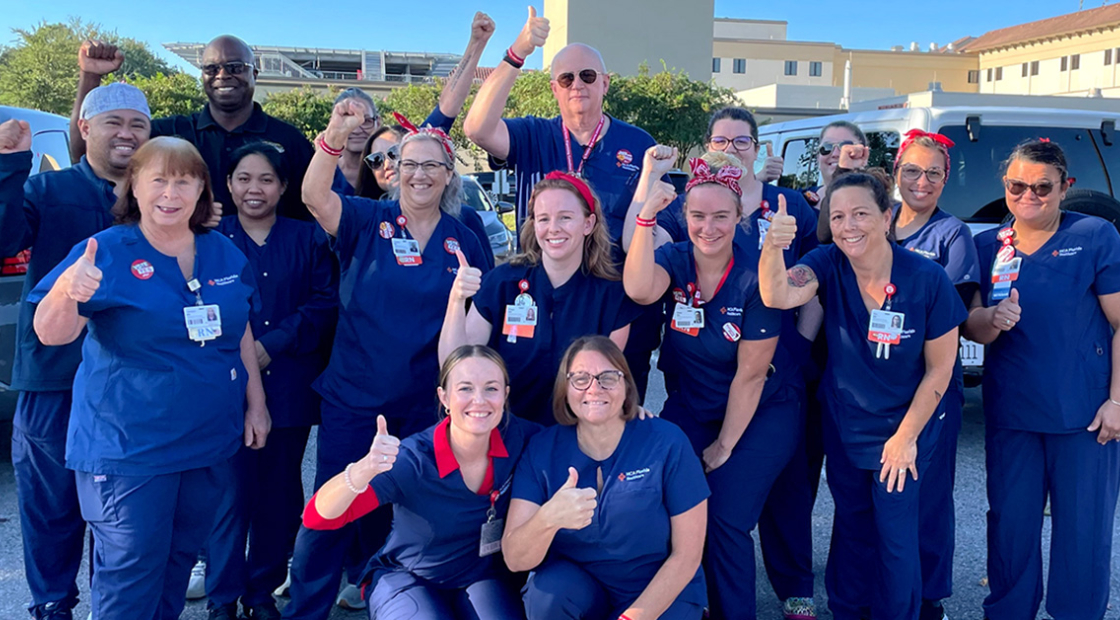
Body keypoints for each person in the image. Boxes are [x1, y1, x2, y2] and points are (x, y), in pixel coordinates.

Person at [29, 136, 269, 620]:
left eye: (184, 180)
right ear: (133, 186)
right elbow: (52, 335)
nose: (171, 192)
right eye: (158, 179)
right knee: (131, 575)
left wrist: (256, 403)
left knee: (177, 567)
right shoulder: (107, 251)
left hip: (205, 445)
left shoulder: (222, 252)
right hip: (129, 452)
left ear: (201, 189)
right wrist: (67, 292)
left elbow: (239, 331)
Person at [285, 96, 490, 620]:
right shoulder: (366, 218)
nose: (419, 174)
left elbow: (476, 325)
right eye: (409, 164)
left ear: (449, 176)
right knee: (332, 508)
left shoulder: (464, 239)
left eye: (431, 166)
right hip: (356, 398)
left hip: (426, 406)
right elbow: (312, 194)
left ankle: (382, 592)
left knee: (407, 511)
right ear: (394, 172)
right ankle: (308, 606)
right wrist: (335, 131)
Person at [759, 171, 965, 620]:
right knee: (852, 524)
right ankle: (849, 611)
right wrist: (773, 247)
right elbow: (777, 294)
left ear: (886, 217)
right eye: (837, 216)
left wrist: (905, 437)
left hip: (908, 427)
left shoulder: (926, 279)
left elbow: (942, 368)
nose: (848, 225)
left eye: (860, 214)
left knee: (895, 534)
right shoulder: (828, 262)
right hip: (848, 423)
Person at [625, 145, 810, 620]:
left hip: (763, 410)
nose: (709, 228)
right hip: (693, 403)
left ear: (739, 214)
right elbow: (640, 288)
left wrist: (724, 447)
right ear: (684, 215)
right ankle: (686, 605)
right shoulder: (677, 258)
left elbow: (751, 375)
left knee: (725, 514)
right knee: (664, 495)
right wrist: (645, 220)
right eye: (698, 216)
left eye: (721, 217)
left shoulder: (754, 274)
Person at [0, 84, 152, 620]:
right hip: (53, 376)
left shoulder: (157, 199)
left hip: (131, 386)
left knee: (120, 515)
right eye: (114, 121)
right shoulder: (48, 188)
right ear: (84, 128)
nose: (127, 133)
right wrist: (8, 165)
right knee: (50, 507)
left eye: (138, 123)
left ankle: (109, 606)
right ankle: (51, 603)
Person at [463, 10, 662, 400]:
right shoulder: (534, 133)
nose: (577, 85)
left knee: (609, 422)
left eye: (588, 76)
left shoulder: (639, 144)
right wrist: (520, 50)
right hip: (539, 296)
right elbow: (477, 128)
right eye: (566, 79)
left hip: (615, 306)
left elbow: (659, 222)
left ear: (605, 83)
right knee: (531, 411)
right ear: (554, 87)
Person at [965, 139, 1120, 620]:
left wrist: (1117, 401)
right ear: (1005, 187)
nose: (1028, 196)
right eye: (1016, 185)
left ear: (1064, 187)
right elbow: (972, 325)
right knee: (1010, 527)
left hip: (1084, 417)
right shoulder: (987, 245)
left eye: (1042, 187)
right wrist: (993, 317)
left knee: (1083, 531)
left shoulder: (1095, 235)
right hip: (1013, 415)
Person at [193, 144, 338, 620]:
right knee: (227, 496)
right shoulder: (209, 239)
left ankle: (261, 593)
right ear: (228, 184)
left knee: (278, 495)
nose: (254, 189)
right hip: (222, 388)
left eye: (266, 180)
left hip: (289, 388)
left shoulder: (308, 238)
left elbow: (323, 304)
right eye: (243, 179)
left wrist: (271, 344)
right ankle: (222, 599)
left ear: (283, 187)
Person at [301, 345, 540, 619]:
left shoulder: (523, 438)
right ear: (444, 397)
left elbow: (574, 447)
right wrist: (362, 470)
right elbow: (317, 518)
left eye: (491, 388)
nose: (479, 400)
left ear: (505, 395)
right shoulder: (412, 458)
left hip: (482, 580)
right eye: (465, 388)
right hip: (409, 576)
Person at [504, 336, 709, 620]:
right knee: (546, 594)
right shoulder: (542, 450)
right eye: (580, 378)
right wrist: (547, 518)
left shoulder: (667, 442)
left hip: (659, 591)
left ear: (626, 386)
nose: (594, 388)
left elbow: (687, 556)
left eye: (608, 377)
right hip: (583, 589)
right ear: (565, 388)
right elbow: (515, 559)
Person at [440, 172, 640, 424]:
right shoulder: (502, 283)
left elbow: (606, 386)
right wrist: (457, 299)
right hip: (505, 432)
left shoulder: (611, 295)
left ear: (588, 224)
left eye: (565, 217)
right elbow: (456, 364)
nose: (553, 228)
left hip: (575, 437)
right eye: (543, 218)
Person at [70, 36, 315, 220]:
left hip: (269, 271)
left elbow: (311, 209)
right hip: (182, 269)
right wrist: (90, 77)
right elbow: (89, 155)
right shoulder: (169, 134)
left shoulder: (289, 140)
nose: (223, 75)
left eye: (236, 67)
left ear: (255, 74)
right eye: (212, 68)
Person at [890, 129, 980, 620]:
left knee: (926, 496)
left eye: (934, 173)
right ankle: (885, 588)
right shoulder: (877, 225)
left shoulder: (951, 235)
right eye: (912, 171)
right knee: (879, 495)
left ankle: (927, 599)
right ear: (896, 173)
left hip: (932, 384)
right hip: (875, 386)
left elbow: (952, 309)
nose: (921, 182)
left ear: (946, 180)